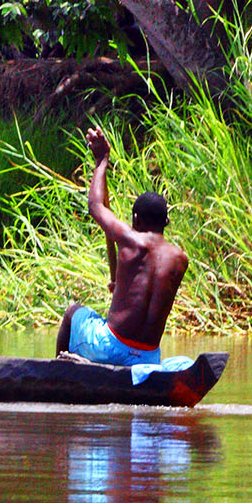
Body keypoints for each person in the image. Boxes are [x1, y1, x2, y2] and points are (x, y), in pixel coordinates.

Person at [55, 126, 188, 371]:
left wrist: (101, 160)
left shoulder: (131, 240)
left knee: (72, 313)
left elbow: (95, 206)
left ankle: (57, 374)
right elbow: (144, 288)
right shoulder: (181, 260)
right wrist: (121, 288)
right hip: (148, 356)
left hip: (112, 347)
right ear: (166, 222)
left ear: (135, 220)